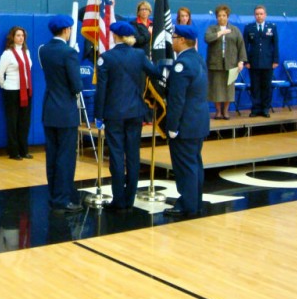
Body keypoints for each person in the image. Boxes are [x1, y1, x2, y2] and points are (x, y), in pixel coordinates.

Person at [94, 21, 163, 211]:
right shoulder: (139, 55)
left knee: (116, 156)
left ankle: (119, 200)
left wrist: (98, 115)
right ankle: (130, 199)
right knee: (133, 155)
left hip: (114, 113)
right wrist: (164, 61)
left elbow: (102, 90)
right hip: (135, 112)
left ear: (115, 36)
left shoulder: (106, 58)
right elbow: (156, 73)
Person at [164, 24, 210, 218]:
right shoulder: (198, 58)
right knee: (195, 164)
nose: (172, 41)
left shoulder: (181, 65)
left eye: (174, 37)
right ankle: (195, 200)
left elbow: (177, 99)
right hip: (198, 121)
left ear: (182, 39)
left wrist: (172, 126)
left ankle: (187, 204)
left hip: (185, 124)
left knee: (185, 166)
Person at [39, 14, 83, 214]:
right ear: (66, 30)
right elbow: (76, 85)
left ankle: (54, 196)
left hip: (49, 109)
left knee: (53, 156)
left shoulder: (44, 50)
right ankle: (62, 199)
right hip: (65, 111)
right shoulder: (69, 53)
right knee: (66, 157)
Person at [0, 25, 33, 160]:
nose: (21, 38)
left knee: (24, 121)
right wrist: (5, 86)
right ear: (12, 37)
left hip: (26, 91)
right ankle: (14, 152)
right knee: (12, 122)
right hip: (12, 91)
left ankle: (24, 150)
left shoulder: (26, 52)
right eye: (18, 35)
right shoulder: (7, 54)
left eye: (22, 35)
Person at [204, 4, 246, 120]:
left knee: (229, 88)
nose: (221, 18)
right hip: (215, 63)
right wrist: (220, 33)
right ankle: (218, 111)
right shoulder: (212, 29)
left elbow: (241, 46)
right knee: (216, 88)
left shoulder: (235, 30)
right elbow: (207, 38)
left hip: (231, 64)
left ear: (228, 16)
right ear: (216, 17)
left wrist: (241, 61)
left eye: (224, 15)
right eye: (219, 16)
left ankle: (226, 111)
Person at [243, 5, 279, 117]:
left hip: (267, 62)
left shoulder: (271, 27)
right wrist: (245, 61)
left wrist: (275, 60)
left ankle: (265, 108)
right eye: (257, 14)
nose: (259, 16)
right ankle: (256, 108)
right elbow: (245, 45)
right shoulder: (249, 28)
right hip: (253, 62)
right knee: (255, 86)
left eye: (261, 13)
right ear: (254, 15)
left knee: (266, 86)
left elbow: (275, 45)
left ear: (265, 15)